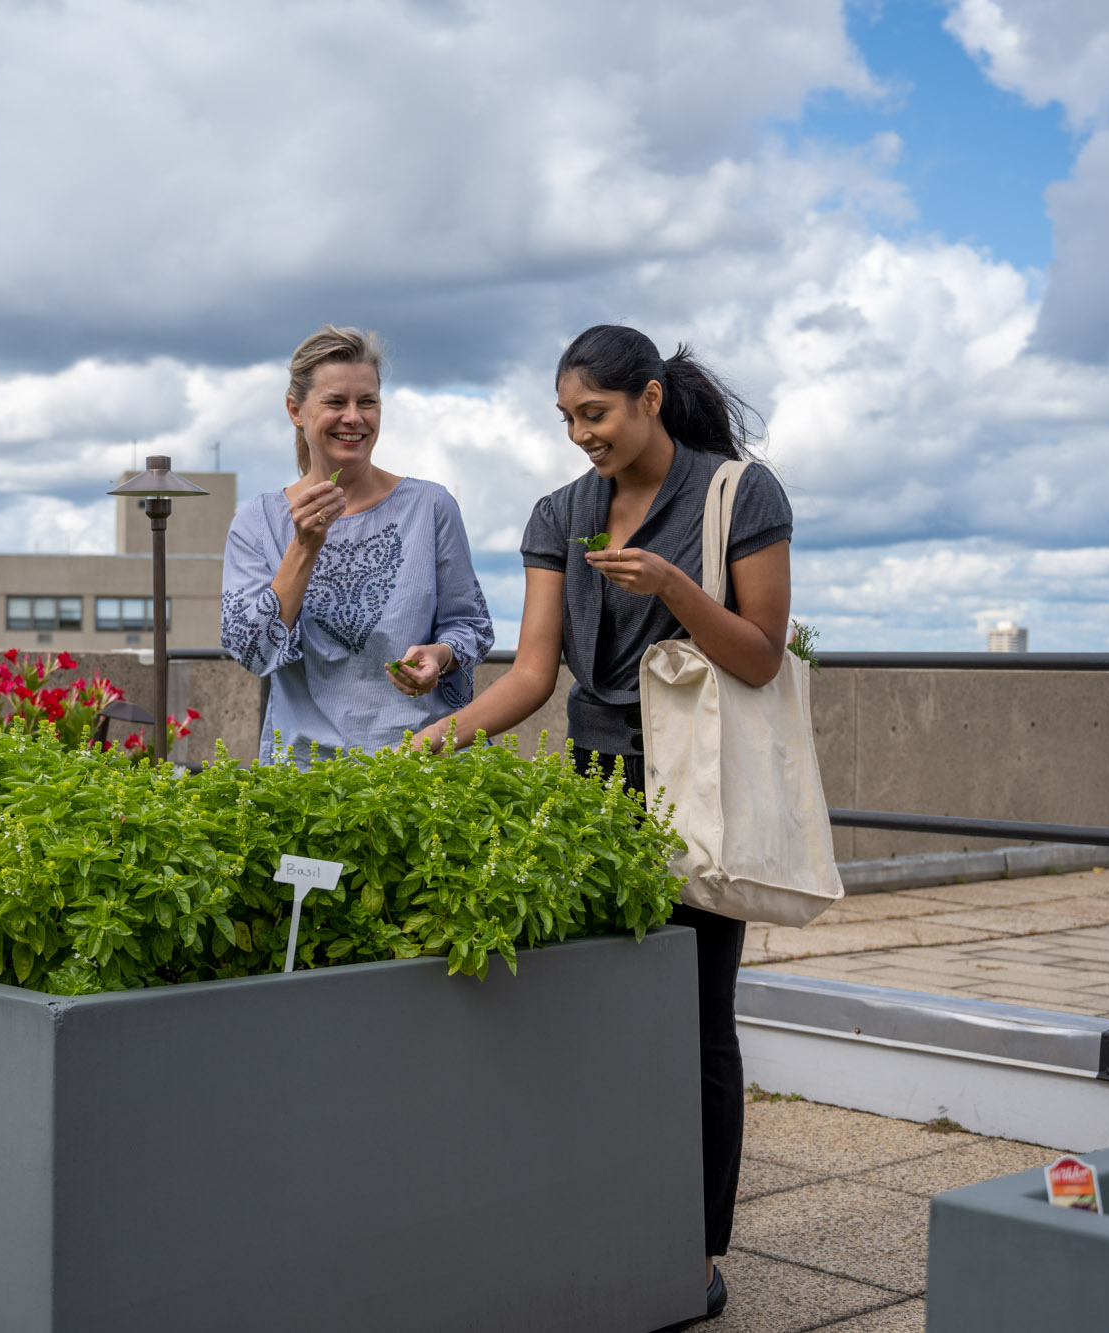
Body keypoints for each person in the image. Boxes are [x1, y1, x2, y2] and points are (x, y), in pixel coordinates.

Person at [413, 325, 794, 1327]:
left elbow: (757, 656)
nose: (581, 433)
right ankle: (605, 1218)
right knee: (597, 1016)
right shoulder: (559, 513)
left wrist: (670, 586)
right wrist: (428, 742)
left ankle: (696, 1254)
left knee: (698, 1020)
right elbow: (534, 675)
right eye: (568, 418)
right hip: (593, 789)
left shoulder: (735, 494)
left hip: (696, 784)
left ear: (650, 399)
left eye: (596, 413)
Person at [221, 325, 494, 764]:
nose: (355, 417)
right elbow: (252, 652)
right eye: (335, 402)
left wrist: (440, 656)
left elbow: (474, 628)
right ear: (295, 409)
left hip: (425, 768)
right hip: (305, 782)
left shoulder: (430, 507)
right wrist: (304, 547)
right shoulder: (259, 523)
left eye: (367, 402)